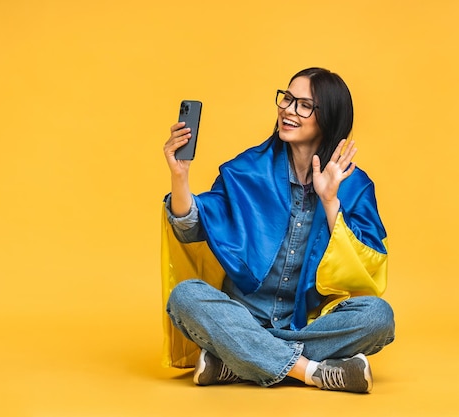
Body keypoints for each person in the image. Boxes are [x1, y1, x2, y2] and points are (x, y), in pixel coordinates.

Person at [162, 67, 395, 393]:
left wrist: (330, 203)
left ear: (327, 117)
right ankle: (313, 372)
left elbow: (367, 268)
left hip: (308, 322)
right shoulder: (246, 170)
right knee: (185, 297)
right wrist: (180, 175)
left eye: (303, 105)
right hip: (241, 316)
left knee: (378, 317)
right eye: (287, 98)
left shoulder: (353, 185)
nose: (287, 109)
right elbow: (190, 230)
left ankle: (237, 360)